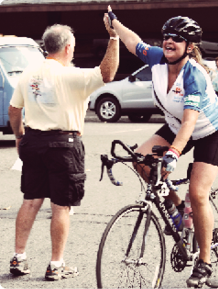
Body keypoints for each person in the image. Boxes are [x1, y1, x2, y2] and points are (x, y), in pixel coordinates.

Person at [106, 6, 218, 288]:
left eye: (176, 38)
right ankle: (177, 210)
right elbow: (131, 41)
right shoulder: (156, 58)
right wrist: (115, 23)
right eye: (166, 36)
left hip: (210, 131)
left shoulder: (194, 75)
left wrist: (174, 154)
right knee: (141, 160)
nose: (169, 41)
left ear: (189, 46)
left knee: (198, 194)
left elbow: (191, 123)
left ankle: (205, 262)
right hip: (176, 125)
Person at [8, 15, 119, 281]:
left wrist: (19, 137)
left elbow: (14, 110)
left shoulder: (28, 74)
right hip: (64, 145)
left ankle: (19, 258)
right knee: (61, 206)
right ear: (68, 48)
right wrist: (113, 38)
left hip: (33, 141)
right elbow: (107, 73)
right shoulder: (72, 75)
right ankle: (56, 264)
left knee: (30, 200)